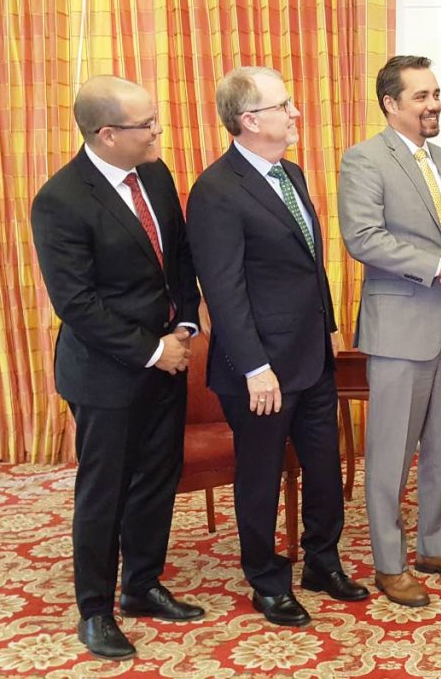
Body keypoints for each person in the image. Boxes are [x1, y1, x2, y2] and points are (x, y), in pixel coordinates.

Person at [186, 66, 367, 627]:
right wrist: (255, 366)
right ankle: (266, 579)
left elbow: (309, 264)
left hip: (311, 357)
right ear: (250, 119)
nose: (295, 113)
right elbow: (223, 290)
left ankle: (322, 560)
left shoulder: (289, 173)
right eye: (284, 105)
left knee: (323, 465)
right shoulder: (216, 191)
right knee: (261, 476)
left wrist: (330, 325)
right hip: (259, 370)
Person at [30, 75, 204, 660]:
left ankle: (142, 586)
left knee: (158, 476)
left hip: (167, 359)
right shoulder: (60, 200)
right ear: (107, 134)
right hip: (107, 373)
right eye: (146, 124)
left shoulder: (153, 172)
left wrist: (183, 324)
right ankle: (95, 610)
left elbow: (177, 256)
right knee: (104, 491)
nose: (158, 131)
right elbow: (76, 304)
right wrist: (153, 350)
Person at [338, 55, 441, 608]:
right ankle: (389, 561)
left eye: (437, 93)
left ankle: (436, 546)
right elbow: (364, 238)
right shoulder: (364, 160)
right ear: (391, 104)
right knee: (390, 452)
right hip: (398, 329)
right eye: (421, 96)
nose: (434, 104)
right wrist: (438, 266)